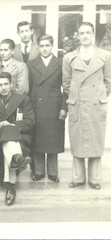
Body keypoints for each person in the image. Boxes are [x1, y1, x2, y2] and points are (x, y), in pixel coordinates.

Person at [62, 22, 111, 190]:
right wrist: (75, 96)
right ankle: (78, 178)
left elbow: (108, 81)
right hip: (78, 104)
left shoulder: (105, 55)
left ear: (93, 34)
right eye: (81, 33)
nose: (85, 36)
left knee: (96, 140)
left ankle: (95, 179)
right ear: (77, 35)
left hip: (96, 104)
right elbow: (66, 83)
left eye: (88, 33)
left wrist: (99, 96)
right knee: (78, 141)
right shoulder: (69, 57)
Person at [0, 72, 35, 205]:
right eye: (0, 85)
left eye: (6, 84)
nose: (3, 87)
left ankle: (11, 180)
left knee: (9, 140)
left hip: (19, 136)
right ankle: (16, 162)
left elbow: (30, 121)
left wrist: (12, 125)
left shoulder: (23, 99)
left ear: (12, 84)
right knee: (7, 134)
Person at [28, 34, 67, 182]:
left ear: (52, 46)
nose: (44, 49)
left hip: (54, 106)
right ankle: (38, 172)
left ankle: (53, 172)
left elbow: (66, 88)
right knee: (38, 139)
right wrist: (28, 109)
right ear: (38, 47)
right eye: (42, 46)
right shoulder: (31, 64)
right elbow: (29, 88)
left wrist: (64, 107)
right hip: (36, 106)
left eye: (47, 45)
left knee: (53, 139)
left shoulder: (60, 63)